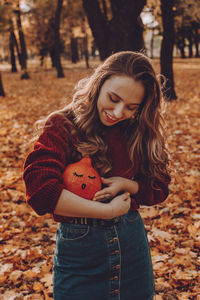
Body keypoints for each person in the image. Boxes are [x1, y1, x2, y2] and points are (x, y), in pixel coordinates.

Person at [23, 51, 171, 300]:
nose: (118, 111)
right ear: (99, 83)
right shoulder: (63, 125)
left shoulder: (136, 131)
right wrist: (107, 211)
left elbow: (160, 186)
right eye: (113, 98)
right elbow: (40, 191)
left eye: (131, 107)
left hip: (130, 244)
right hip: (80, 251)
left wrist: (129, 185)